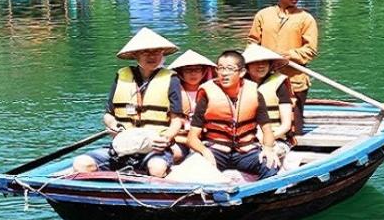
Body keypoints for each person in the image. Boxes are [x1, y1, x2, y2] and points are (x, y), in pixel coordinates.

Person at [70, 27, 184, 177]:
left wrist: (166, 138)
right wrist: (115, 126)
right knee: (81, 164)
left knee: (157, 168)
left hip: (154, 147)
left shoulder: (171, 79)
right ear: (135, 55)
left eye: (157, 51)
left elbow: (177, 120)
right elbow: (108, 115)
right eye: (146, 52)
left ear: (162, 53)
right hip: (124, 146)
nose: (152, 56)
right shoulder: (122, 76)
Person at [185, 50, 280, 180]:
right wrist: (205, 152)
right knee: (195, 167)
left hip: (246, 152)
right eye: (220, 68)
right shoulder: (208, 94)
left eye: (230, 69)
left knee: (270, 165)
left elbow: (267, 130)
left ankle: (262, 198)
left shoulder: (254, 94)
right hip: (216, 151)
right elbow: (192, 138)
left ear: (241, 72)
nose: (224, 73)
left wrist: (268, 149)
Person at [247, 0, 317, 135]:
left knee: (294, 126)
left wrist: (287, 55)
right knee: (261, 117)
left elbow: (310, 50)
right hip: (264, 78)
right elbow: (252, 44)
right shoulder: (263, 15)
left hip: (294, 79)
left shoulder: (306, 19)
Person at [242, 44, 295, 160]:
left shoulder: (279, 84)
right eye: (256, 62)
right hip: (245, 139)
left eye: (264, 62)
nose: (261, 66)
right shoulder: (239, 85)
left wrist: (267, 139)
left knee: (261, 157)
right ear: (247, 66)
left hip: (277, 138)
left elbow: (286, 125)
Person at [167, 49, 217, 161]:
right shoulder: (173, 92)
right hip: (180, 138)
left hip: (205, 138)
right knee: (174, 154)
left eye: (197, 70)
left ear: (204, 71)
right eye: (188, 70)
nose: (193, 73)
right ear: (180, 73)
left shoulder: (212, 90)